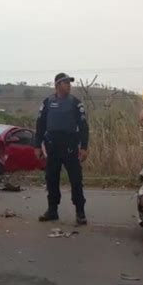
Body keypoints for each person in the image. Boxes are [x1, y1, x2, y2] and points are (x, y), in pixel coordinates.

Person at [35, 73, 89, 225]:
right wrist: (37, 146)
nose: (69, 85)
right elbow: (40, 125)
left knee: (76, 180)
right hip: (52, 147)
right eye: (65, 83)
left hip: (70, 147)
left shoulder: (75, 103)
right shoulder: (47, 103)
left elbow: (84, 127)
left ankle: (80, 212)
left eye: (69, 83)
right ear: (57, 85)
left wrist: (84, 147)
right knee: (51, 179)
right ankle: (52, 210)